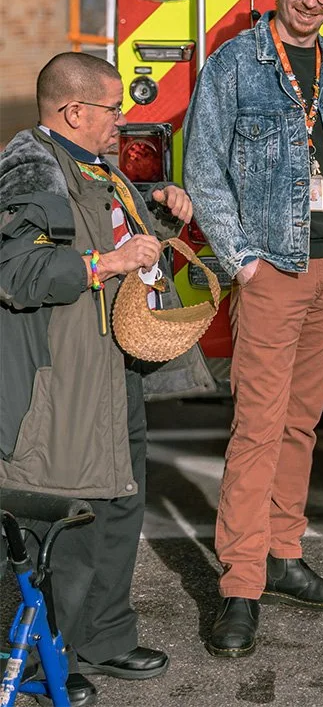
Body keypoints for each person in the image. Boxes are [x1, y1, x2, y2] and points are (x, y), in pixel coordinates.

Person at [184, 0, 323, 658]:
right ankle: (239, 585)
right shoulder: (235, 64)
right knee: (258, 426)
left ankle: (284, 553)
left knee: (300, 422)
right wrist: (242, 262)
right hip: (273, 269)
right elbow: (204, 169)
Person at [0, 53, 211, 706]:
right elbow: (14, 271)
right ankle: (47, 655)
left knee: (118, 504)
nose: (122, 118)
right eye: (113, 107)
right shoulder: (28, 167)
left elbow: (109, 228)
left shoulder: (96, 165)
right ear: (72, 111)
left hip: (111, 371)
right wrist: (104, 262)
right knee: (65, 522)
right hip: (57, 381)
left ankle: (107, 637)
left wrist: (158, 210)